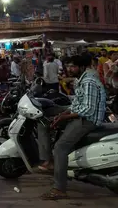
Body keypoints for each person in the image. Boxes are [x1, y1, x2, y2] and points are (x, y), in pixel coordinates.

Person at [39, 54, 106, 200]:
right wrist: (63, 114)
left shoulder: (89, 81)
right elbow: (77, 104)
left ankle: (59, 188)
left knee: (60, 147)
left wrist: (65, 116)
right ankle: (48, 161)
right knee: (44, 122)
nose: (69, 69)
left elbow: (88, 109)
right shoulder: (80, 79)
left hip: (88, 120)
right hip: (81, 115)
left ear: (82, 66)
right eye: (68, 66)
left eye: (73, 66)